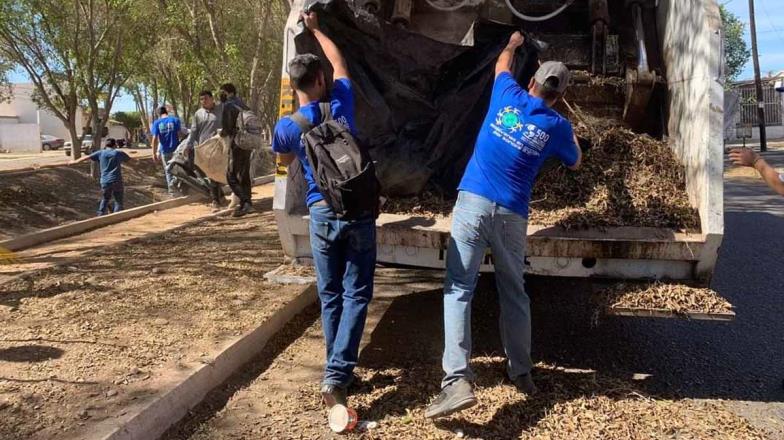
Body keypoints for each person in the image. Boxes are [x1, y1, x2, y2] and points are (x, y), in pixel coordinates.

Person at [425, 32, 582, 419]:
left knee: (460, 289)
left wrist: (512, 44)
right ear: (559, 96)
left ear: (531, 82)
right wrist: (567, 129)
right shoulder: (557, 125)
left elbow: (500, 65)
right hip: (513, 215)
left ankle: (457, 381)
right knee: (514, 292)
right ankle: (521, 372)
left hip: (473, 203)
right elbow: (576, 161)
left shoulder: (507, 94)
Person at [272, 11, 375, 409]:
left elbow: (283, 157)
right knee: (357, 293)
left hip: (320, 214)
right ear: (320, 81)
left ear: (295, 85)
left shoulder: (288, 126)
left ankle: (339, 370)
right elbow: (340, 64)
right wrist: (317, 30)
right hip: (358, 211)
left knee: (330, 294)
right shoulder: (342, 102)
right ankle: (337, 375)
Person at [70, 138, 137, 216]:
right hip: (116, 180)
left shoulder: (101, 153)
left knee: (105, 199)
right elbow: (131, 161)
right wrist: (137, 161)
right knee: (118, 201)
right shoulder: (118, 153)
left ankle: (100, 216)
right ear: (115, 145)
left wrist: (74, 162)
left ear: (106, 145)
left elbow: (86, 157)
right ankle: (117, 217)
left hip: (105, 181)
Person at [185, 90, 227, 209]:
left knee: (217, 172)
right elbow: (193, 131)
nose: (203, 101)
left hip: (219, 146)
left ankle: (217, 199)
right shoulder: (198, 114)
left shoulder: (221, 109)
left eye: (206, 99)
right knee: (209, 173)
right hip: (204, 148)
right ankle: (218, 198)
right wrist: (188, 145)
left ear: (212, 99)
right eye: (201, 100)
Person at [219, 83, 254, 217]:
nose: (220, 95)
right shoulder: (242, 104)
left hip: (237, 143)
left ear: (228, 92)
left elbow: (227, 128)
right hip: (248, 142)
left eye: (222, 92)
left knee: (230, 175)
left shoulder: (228, 105)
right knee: (244, 174)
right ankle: (247, 203)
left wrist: (222, 134)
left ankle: (246, 202)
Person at [151, 106, 183, 197]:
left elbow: (154, 139)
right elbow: (180, 134)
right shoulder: (175, 120)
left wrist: (153, 153)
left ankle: (172, 193)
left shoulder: (157, 123)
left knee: (168, 171)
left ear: (158, 114)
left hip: (164, 151)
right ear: (166, 112)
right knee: (179, 170)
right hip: (176, 150)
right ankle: (177, 187)